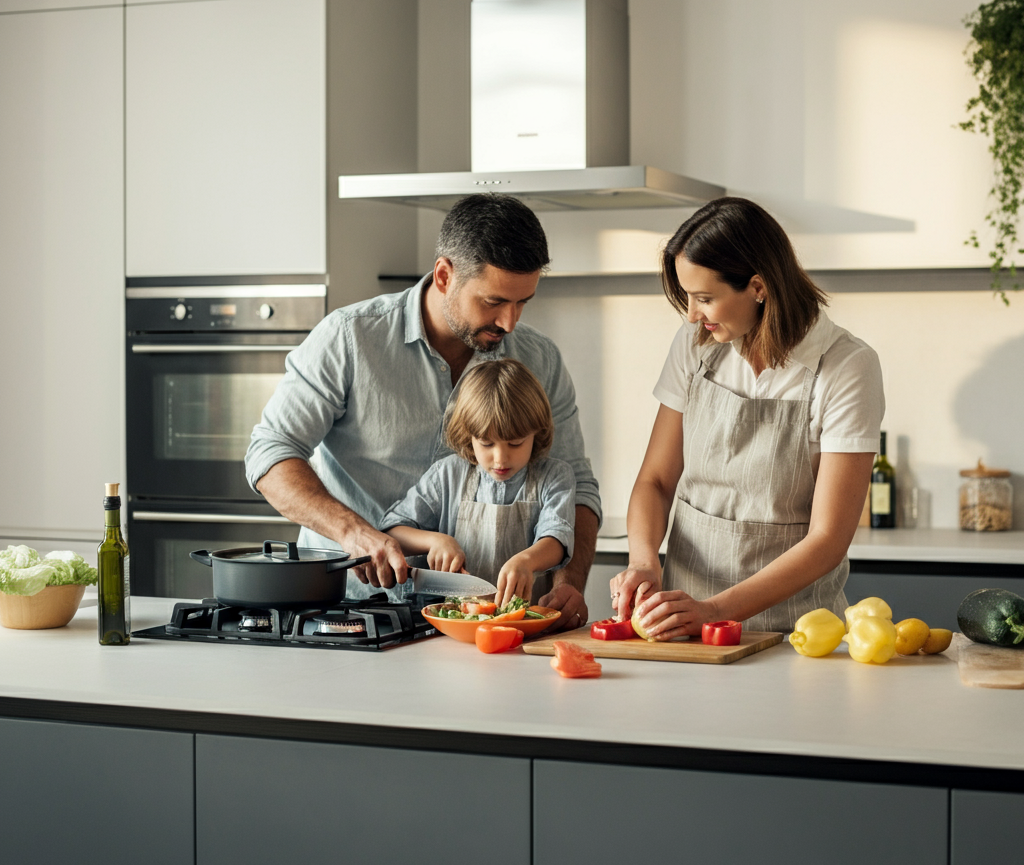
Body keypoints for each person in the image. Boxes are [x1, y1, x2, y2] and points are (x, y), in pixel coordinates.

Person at [245, 193, 600, 630]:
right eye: (493, 302)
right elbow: (270, 453)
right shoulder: (350, 337)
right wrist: (355, 532)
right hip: (345, 611)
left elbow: (578, 485)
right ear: (445, 275)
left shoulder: (539, 358)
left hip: (487, 625)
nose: (510, 322)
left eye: (523, 302)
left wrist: (570, 581)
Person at [610, 197, 884, 637]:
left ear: (758, 287)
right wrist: (643, 562)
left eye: (704, 298)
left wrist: (714, 609)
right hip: (683, 626)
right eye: (687, 297)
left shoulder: (847, 366)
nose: (692, 315)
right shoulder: (696, 345)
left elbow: (828, 540)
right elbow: (656, 481)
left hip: (795, 630)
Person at [380, 358, 576, 607]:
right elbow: (391, 532)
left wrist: (526, 561)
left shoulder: (555, 476)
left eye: (516, 443)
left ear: (537, 433)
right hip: (451, 628)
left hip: (526, 628)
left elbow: (557, 539)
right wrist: (436, 541)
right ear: (468, 436)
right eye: (486, 443)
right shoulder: (447, 474)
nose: (500, 458)